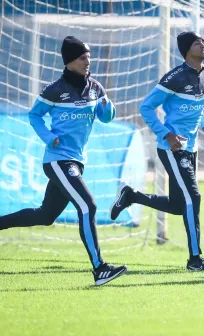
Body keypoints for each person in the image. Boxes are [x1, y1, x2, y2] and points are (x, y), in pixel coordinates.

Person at [0, 36, 127, 286]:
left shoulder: (95, 87)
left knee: (45, 215)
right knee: (88, 206)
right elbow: (35, 115)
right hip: (58, 161)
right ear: (69, 61)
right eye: (82, 57)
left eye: (89, 57)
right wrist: (49, 137)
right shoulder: (54, 89)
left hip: (76, 162)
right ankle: (100, 268)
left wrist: (107, 104)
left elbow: (106, 118)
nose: (88, 61)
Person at [109, 31, 204, 271]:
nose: (203, 45)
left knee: (180, 205)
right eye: (197, 43)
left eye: (203, 42)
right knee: (194, 197)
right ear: (187, 50)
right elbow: (146, 107)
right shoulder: (174, 78)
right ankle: (195, 259)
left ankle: (132, 196)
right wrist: (166, 134)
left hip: (191, 148)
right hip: (171, 148)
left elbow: (203, 104)